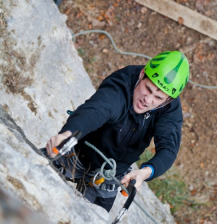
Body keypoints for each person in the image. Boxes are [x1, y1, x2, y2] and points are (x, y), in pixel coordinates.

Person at [43, 51, 189, 212]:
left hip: (110, 174)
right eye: (148, 89)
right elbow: (97, 109)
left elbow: (169, 148)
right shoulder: (122, 84)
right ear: (142, 74)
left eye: (158, 98)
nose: (147, 100)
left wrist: (144, 172)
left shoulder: (169, 108)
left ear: (168, 100)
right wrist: (67, 135)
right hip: (77, 153)